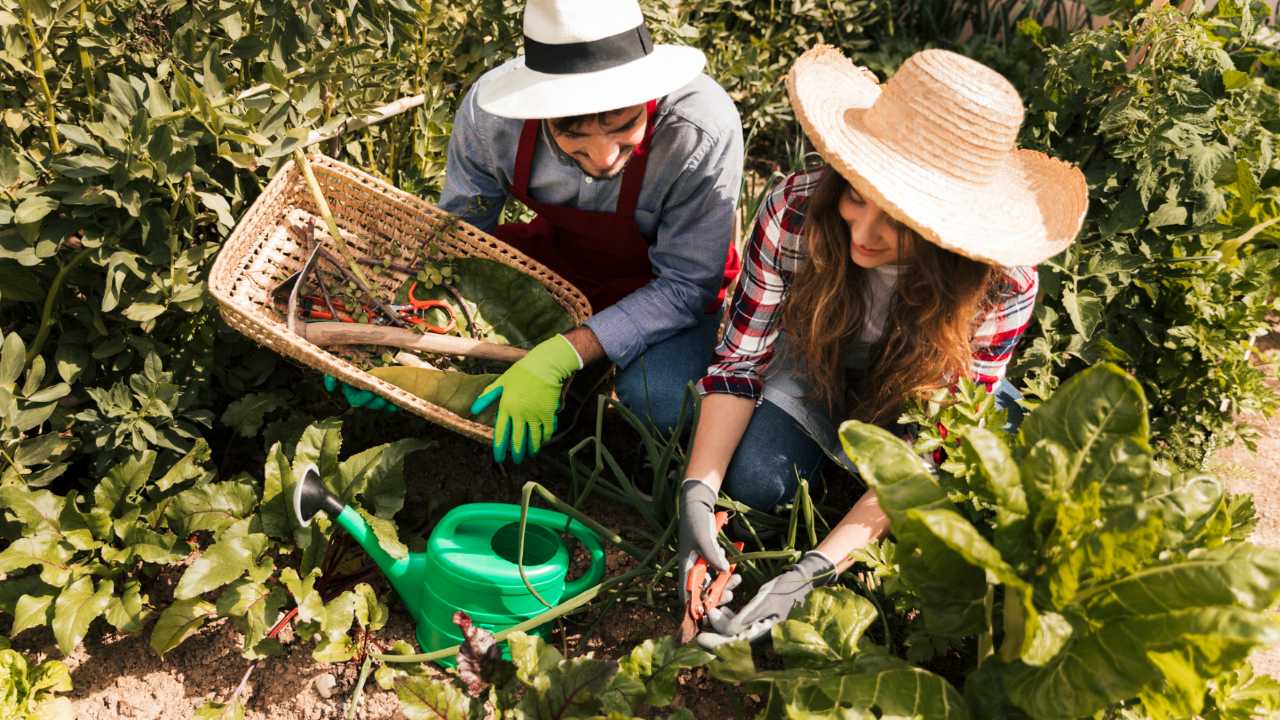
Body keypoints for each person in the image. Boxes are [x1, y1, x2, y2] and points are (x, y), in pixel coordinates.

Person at [677, 45, 1088, 648]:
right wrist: (697, 490)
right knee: (756, 480)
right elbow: (741, 360)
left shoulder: (1002, 285)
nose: (863, 234)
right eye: (855, 196)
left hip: (919, 398)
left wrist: (815, 571)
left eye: (897, 221)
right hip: (820, 368)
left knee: (977, 489)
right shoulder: (796, 212)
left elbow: (934, 445)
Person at [403, 0, 739, 465]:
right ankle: (573, 395)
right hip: (559, 265)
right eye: (572, 135)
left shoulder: (700, 128)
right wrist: (402, 343)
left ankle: (585, 379)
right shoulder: (492, 121)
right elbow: (461, 241)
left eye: (624, 126)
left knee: (660, 401)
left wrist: (566, 352)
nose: (604, 157)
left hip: (666, 289)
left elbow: (687, 284)